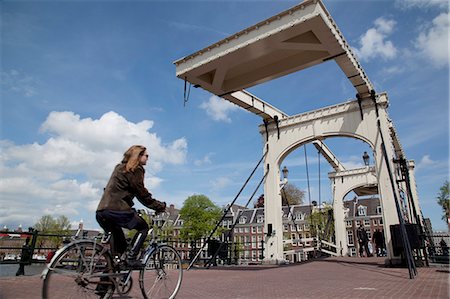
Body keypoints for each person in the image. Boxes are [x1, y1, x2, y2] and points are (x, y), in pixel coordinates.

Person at [96, 145, 166, 268]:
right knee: (143, 227)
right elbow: (141, 193)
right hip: (117, 210)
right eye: (146, 155)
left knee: (119, 250)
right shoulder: (135, 169)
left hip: (101, 211)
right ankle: (131, 258)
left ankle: (105, 284)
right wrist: (159, 206)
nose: (148, 158)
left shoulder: (119, 168)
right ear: (138, 156)